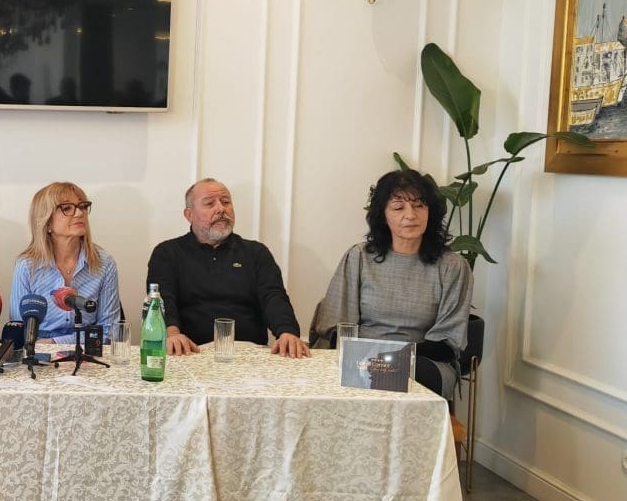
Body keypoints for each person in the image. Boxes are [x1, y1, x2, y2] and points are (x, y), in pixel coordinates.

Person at [311, 168, 472, 398]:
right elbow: (336, 329)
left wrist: (390, 357)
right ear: (383, 215)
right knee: (359, 370)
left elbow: (446, 345)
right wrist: (370, 357)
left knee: (395, 373)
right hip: (362, 358)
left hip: (422, 363)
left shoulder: (453, 266)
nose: (411, 215)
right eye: (398, 207)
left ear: (431, 212)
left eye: (419, 205)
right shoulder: (359, 257)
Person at [146, 178, 308, 357]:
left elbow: (273, 297)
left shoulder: (256, 252)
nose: (221, 209)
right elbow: (162, 300)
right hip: (190, 352)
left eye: (225, 202)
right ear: (189, 215)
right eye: (210, 203)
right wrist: (172, 334)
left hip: (248, 353)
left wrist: (287, 332)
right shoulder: (167, 253)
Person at [8, 182, 122, 344]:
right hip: (38, 349)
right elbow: (18, 328)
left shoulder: (104, 262)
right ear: (47, 221)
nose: (79, 213)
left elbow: (110, 331)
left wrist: (56, 343)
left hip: (88, 349)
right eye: (67, 208)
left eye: (82, 206)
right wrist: (42, 347)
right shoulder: (27, 266)